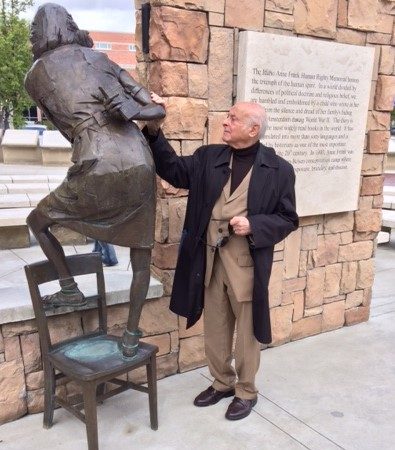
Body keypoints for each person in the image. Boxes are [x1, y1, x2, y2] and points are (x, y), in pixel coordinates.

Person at [141, 94, 299, 420]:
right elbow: (172, 170)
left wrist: (254, 224)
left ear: (253, 130)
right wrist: (154, 129)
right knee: (215, 326)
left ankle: (246, 391)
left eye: (233, 118)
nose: (225, 122)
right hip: (209, 260)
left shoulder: (279, 170)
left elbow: (288, 219)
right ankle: (221, 382)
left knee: (247, 332)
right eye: (227, 116)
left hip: (246, 263)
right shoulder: (208, 157)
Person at [24, 3, 165, 357]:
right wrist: (130, 111)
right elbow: (154, 109)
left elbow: (65, 128)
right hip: (139, 157)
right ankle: (131, 334)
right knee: (141, 252)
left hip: (97, 157)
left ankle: (69, 287)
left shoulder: (36, 75)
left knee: (38, 222)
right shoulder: (101, 60)